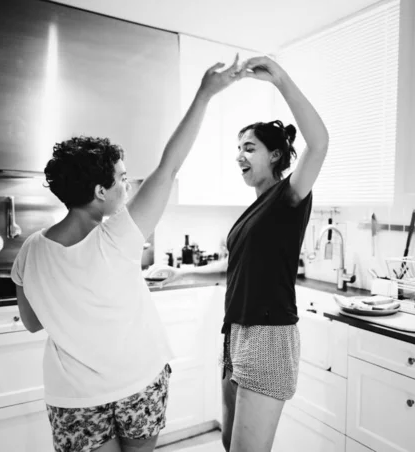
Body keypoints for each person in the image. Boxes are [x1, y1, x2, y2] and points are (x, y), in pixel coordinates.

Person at [10, 55, 242, 452]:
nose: (127, 188)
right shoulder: (117, 236)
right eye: (121, 179)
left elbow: (32, 323)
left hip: (74, 398)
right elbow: (169, 167)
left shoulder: (30, 251)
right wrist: (205, 93)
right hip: (138, 382)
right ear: (99, 191)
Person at [145, 56, 329, 452]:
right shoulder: (255, 208)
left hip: (268, 334)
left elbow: (320, 143)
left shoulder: (289, 196)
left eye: (250, 148)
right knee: (230, 443)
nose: (240, 156)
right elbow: (236, 262)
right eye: (239, 149)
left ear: (276, 155)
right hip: (236, 333)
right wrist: (182, 275)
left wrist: (280, 78)